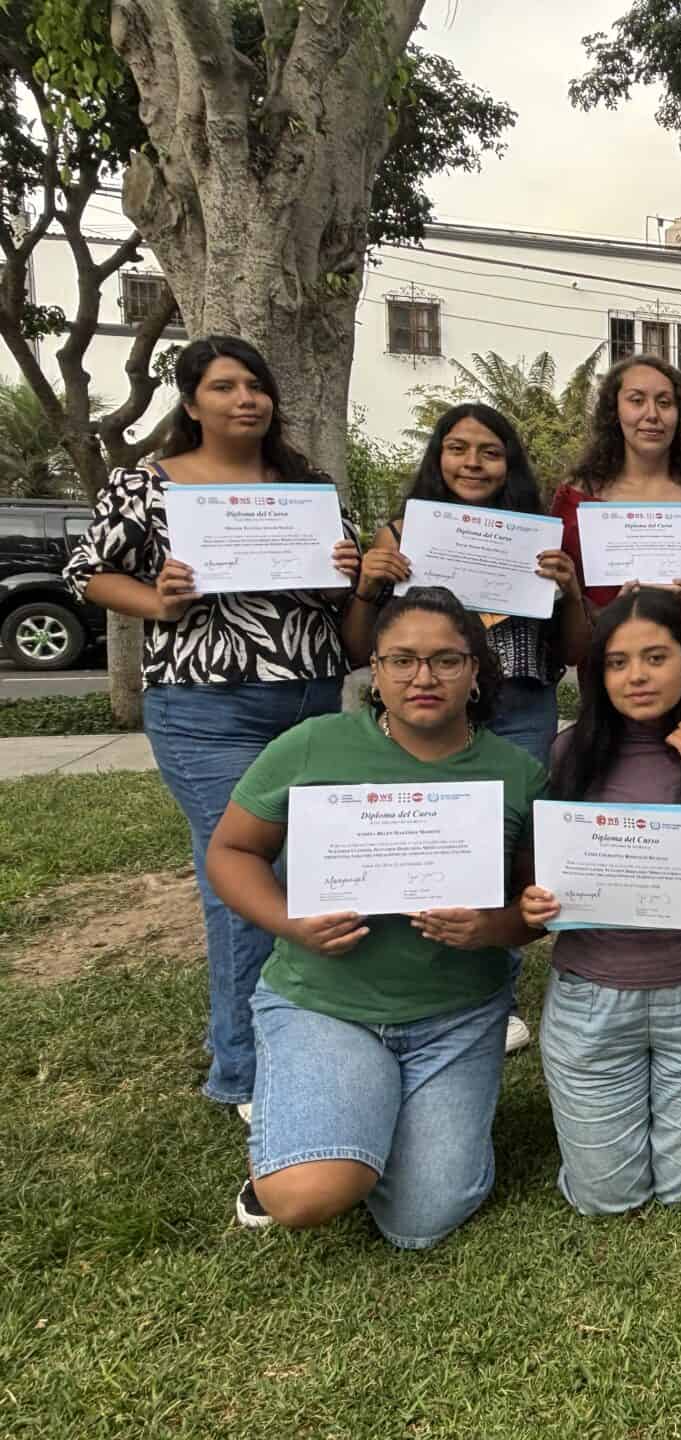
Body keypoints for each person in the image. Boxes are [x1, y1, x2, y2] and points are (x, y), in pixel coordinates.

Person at [63, 335, 359, 1119]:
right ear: (191, 403)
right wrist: (159, 601)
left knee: (293, 870)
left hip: (308, 699)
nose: (245, 399)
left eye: (255, 385)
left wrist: (345, 575)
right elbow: (88, 572)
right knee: (244, 878)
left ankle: (299, 1030)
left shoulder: (305, 485)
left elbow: (336, 596)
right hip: (205, 706)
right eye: (225, 387)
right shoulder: (147, 486)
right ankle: (245, 1069)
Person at [204, 587, 546, 1246]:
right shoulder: (314, 746)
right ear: (376, 670)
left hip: (457, 1015)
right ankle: (311, 1139)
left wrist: (490, 929)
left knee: (423, 1219)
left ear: (477, 671)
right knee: (310, 1193)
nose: (423, 677)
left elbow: (532, 913)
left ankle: (357, 1120)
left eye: (447, 660)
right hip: (327, 1003)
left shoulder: (517, 773)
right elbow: (231, 851)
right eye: (401, 661)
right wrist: (289, 921)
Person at [346, 403, 591, 1056]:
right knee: (431, 838)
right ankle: (423, 979)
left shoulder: (539, 540)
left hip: (519, 705)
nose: (473, 463)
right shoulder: (400, 533)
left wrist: (569, 592)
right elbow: (355, 647)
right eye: (458, 449)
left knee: (504, 850)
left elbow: (571, 651)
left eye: (489, 451)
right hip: (430, 708)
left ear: (509, 462)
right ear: (437, 458)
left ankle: (494, 990)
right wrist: (370, 585)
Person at [517, 588, 681, 1214]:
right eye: (618, 662)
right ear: (598, 673)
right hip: (592, 999)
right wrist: (538, 901)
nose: (637, 676)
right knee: (606, 1199)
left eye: (655, 657)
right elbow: (553, 866)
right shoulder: (570, 752)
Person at [551, 355, 681, 714]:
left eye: (665, 403)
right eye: (637, 400)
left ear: (680, 415)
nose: (652, 414)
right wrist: (602, 609)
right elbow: (563, 590)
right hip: (615, 669)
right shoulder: (576, 496)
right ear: (614, 410)